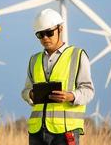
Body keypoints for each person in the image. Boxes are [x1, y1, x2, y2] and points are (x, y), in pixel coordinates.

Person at [21, 8, 95, 145]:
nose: (45, 38)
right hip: (37, 131)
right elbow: (25, 91)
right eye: (40, 34)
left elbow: (88, 91)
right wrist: (31, 94)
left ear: (60, 29)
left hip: (66, 131)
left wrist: (70, 96)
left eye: (49, 33)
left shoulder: (77, 55)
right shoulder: (34, 60)